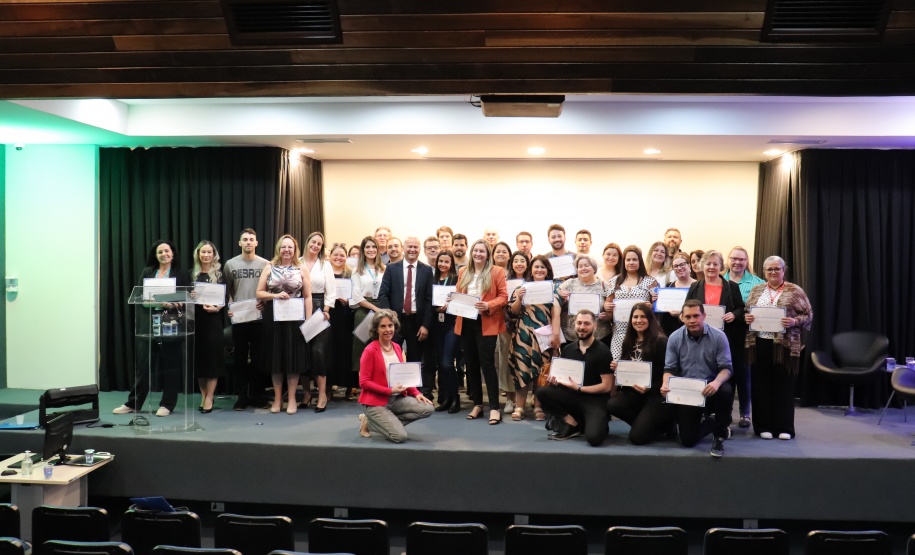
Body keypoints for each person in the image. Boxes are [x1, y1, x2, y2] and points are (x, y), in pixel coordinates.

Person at [114, 239, 190, 417]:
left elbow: (185, 298)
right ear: (155, 255)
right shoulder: (148, 272)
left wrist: (176, 303)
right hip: (148, 326)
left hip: (170, 324)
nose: (164, 254)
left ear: (173, 253)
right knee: (143, 367)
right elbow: (139, 296)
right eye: (160, 252)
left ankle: (167, 405)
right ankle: (134, 403)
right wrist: (154, 301)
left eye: (167, 251)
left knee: (170, 366)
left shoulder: (180, 274)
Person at [744, 256, 813, 440]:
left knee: (784, 387)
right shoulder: (757, 290)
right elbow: (747, 312)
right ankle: (762, 427)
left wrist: (794, 321)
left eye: (776, 269)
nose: (773, 272)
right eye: (769, 269)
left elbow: (808, 315)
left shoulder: (795, 290)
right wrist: (747, 318)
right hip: (759, 344)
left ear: (784, 270)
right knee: (761, 387)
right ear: (764, 272)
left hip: (785, 346)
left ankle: (784, 428)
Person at [661, 300, 733, 457]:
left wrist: (716, 382)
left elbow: (726, 368)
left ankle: (719, 435)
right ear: (682, 318)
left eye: (696, 316)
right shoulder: (674, 338)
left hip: (712, 386)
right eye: (688, 316)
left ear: (704, 316)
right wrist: (666, 383)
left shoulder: (719, 337)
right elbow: (669, 369)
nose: (692, 320)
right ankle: (714, 422)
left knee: (726, 390)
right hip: (688, 390)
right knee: (687, 440)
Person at [687, 250, 747, 429]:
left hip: (724, 340)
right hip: (700, 339)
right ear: (701, 266)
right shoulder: (695, 287)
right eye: (708, 264)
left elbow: (742, 310)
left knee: (725, 378)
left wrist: (733, 315)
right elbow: (688, 308)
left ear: (721, 266)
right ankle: (705, 414)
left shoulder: (731, 286)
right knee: (702, 374)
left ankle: (723, 418)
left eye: (715, 264)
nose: (711, 267)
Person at [536, 310, 614, 444]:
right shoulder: (568, 349)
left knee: (594, 438)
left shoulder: (603, 351)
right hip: (572, 397)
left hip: (595, 400)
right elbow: (564, 379)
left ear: (594, 326)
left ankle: (594, 423)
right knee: (542, 392)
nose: (582, 327)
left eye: (586, 324)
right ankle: (570, 421)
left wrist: (579, 388)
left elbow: (606, 386)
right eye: (579, 323)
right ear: (574, 325)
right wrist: (555, 381)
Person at [255, 235, 313, 414]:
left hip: (295, 319)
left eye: (290, 247)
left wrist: (308, 321)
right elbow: (259, 293)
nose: (287, 250)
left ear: (295, 250)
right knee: (276, 360)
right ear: (278, 249)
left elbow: (308, 296)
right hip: (274, 319)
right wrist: (275, 296)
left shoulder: (301, 268)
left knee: (293, 360)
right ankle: (278, 399)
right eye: (283, 247)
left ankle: (293, 399)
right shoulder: (269, 267)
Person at [357, 310, 434, 443]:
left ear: (395, 327)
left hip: (396, 399)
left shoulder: (397, 347)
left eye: (390, 326)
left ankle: (375, 422)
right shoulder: (370, 350)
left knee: (427, 408)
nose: (388, 330)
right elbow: (364, 382)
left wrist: (415, 393)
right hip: (375, 402)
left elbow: (403, 376)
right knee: (399, 436)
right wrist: (389, 391)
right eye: (383, 326)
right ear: (376, 329)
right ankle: (372, 421)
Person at [455, 239, 509, 425]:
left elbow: (503, 296)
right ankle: (477, 403)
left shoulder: (496, 271)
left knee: (487, 364)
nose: (478, 254)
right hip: (466, 321)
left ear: (488, 254)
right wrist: (451, 300)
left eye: (482, 251)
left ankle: (494, 407)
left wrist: (488, 304)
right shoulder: (463, 271)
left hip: (486, 321)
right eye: (476, 250)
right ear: (472, 252)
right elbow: (458, 293)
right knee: (471, 364)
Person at [606, 303, 673, 445]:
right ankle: (649, 424)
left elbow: (668, 373)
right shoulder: (628, 341)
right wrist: (619, 368)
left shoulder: (661, 342)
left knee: (636, 438)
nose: (638, 320)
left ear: (650, 319)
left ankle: (663, 425)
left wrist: (650, 388)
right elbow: (628, 367)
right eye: (635, 317)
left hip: (655, 395)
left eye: (643, 317)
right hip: (635, 392)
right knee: (613, 404)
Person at [378, 236, 435, 400]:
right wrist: (389, 319)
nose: (412, 250)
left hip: (417, 321)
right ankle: (394, 392)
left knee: (415, 359)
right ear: (403, 248)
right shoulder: (392, 269)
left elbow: (429, 300)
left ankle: (414, 394)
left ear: (420, 250)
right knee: (392, 356)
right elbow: (383, 294)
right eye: (409, 246)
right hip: (395, 321)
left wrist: (425, 325)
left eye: (415, 247)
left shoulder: (426, 270)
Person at [508, 255, 562, 421]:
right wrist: (518, 298)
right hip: (523, 335)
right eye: (536, 267)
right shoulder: (522, 287)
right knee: (521, 371)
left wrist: (555, 334)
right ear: (531, 270)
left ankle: (538, 406)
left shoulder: (554, 288)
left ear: (548, 271)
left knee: (541, 372)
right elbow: (512, 313)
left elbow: (556, 313)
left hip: (544, 336)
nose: (539, 270)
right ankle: (519, 406)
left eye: (543, 267)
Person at [223, 228, 269, 411]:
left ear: (256, 243)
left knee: (258, 358)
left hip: (259, 317)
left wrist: (265, 303)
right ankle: (242, 396)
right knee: (240, 358)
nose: (248, 242)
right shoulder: (230, 264)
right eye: (245, 239)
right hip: (239, 318)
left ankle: (256, 395)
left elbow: (268, 289)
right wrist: (229, 307)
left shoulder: (265, 264)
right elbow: (227, 290)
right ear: (239, 243)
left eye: (251, 239)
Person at [724, 246, 765, 428]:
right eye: (734, 258)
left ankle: (745, 414)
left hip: (748, 336)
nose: (737, 262)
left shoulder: (758, 283)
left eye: (741, 259)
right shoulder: (719, 280)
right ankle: (724, 413)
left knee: (744, 375)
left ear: (747, 262)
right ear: (728, 260)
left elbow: (763, 309)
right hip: (724, 335)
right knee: (725, 374)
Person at [302, 231, 337, 412]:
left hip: (319, 309)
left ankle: (322, 393)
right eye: (313, 242)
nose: (315, 245)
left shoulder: (325, 265)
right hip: (298, 308)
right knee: (302, 351)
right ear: (307, 242)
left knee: (318, 351)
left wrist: (326, 309)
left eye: (319, 244)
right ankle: (307, 393)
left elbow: (331, 291)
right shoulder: (296, 262)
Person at [190, 240, 226, 414]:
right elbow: (186, 300)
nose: (206, 255)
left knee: (212, 361)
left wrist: (217, 307)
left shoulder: (219, 275)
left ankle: (210, 397)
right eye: (202, 252)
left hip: (213, 322)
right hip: (196, 323)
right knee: (200, 363)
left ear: (214, 255)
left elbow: (225, 299)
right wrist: (190, 295)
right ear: (198, 254)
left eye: (209, 252)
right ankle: (203, 395)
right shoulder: (192, 275)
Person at [605, 245, 658, 360]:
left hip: (643, 334)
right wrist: (607, 306)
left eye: (634, 259)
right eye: (628, 260)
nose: (631, 262)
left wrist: (651, 306)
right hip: (620, 333)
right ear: (623, 262)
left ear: (640, 261)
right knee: (618, 368)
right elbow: (607, 302)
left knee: (640, 368)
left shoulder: (650, 281)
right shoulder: (614, 281)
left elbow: (658, 305)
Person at [350, 236, 385, 397]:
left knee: (380, 348)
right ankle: (365, 387)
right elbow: (356, 296)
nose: (371, 250)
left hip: (382, 310)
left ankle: (380, 386)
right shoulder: (357, 271)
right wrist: (374, 308)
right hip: (364, 311)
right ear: (363, 250)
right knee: (362, 351)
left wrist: (380, 310)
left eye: (374, 247)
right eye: (367, 247)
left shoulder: (384, 269)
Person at [431, 250, 461, 413]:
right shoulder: (433, 279)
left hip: (452, 324)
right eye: (440, 261)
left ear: (451, 264)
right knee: (441, 364)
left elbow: (462, 301)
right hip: (437, 325)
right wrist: (436, 309)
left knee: (448, 363)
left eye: (446, 261)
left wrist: (451, 305)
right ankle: (447, 398)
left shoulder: (456, 280)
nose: (443, 264)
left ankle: (455, 398)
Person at [558, 255, 611, 343]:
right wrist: (559, 294)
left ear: (594, 268)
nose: (583, 268)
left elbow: (612, 309)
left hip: (599, 336)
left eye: (586, 265)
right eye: (580, 266)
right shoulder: (568, 284)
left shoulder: (604, 285)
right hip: (571, 337)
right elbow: (556, 301)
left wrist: (608, 315)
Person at [492, 241, 517, 412]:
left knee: (512, 360)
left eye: (504, 251)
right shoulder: (489, 273)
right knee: (499, 360)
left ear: (510, 255)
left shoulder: (517, 273)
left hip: (516, 322)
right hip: (495, 320)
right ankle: (502, 398)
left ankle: (515, 398)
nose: (501, 253)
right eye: (497, 251)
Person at [328, 242, 354, 400]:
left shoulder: (351, 273)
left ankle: (349, 387)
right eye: (335, 255)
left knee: (347, 351)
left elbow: (357, 295)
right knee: (330, 351)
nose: (338, 258)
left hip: (346, 316)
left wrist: (348, 301)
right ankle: (329, 387)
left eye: (342, 255)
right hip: (329, 314)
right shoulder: (325, 272)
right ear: (330, 256)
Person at [660, 251, 695, 337]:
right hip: (671, 331)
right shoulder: (669, 286)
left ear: (689, 265)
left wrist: (680, 314)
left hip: (692, 329)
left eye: (682, 264)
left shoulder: (698, 286)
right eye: (675, 266)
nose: (679, 268)